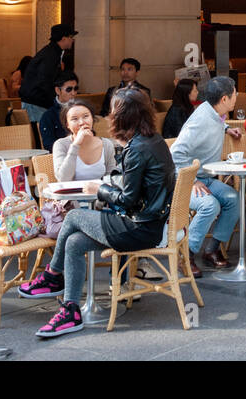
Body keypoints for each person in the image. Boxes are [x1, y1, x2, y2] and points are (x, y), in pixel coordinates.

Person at [19, 89, 174, 338]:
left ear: (123, 115)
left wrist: (99, 189)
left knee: (73, 217)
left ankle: (52, 275)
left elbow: (126, 200)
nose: (109, 115)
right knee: (74, 242)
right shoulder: (151, 141)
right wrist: (110, 182)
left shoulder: (138, 148)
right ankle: (71, 310)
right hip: (145, 223)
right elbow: (129, 183)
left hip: (139, 228)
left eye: (113, 111)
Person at [170, 76, 241, 273]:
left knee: (233, 198)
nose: (237, 96)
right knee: (210, 205)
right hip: (184, 181)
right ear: (225, 99)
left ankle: (212, 250)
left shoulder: (215, 113)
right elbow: (175, 152)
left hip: (205, 178)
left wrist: (227, 129)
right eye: (234, 92)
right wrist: (191, 181)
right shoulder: (200, 120)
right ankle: (186, 255)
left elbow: (216, 123)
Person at [19, 24, 76, 124]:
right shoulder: (51, 55)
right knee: (41, 137)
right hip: (36, 103)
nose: (73, 40)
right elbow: (45, 81)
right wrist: (55, 101)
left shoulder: (52, 52)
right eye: (71, 37)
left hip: (36, 102)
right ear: (63, 39)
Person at [53, 98, 116, 182]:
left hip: (99, 193)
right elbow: (63, 178)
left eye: (86, 116)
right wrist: (75, 145)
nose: (82, 122)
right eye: (75, 119)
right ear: (67, 124)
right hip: (72, 194)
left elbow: (112, 178)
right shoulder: (61, 144)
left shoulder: (107, 144)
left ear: (92, 118)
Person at [38, 71, 80, 152]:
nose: (73, 93)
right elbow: (49, 144)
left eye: (76, 89)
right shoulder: (49, 116)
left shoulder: (81, 111)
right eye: (69, 89)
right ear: (58, 90)